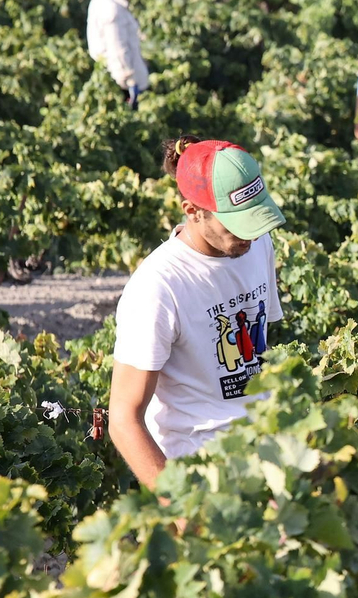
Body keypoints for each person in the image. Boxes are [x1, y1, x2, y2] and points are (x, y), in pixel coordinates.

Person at [109, 136, 287, 489]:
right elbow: (123, 419)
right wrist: (178, 504)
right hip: (200, 473)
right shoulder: (158, 287)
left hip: (265, 455)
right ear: (192, 210)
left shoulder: (256, 242)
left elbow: (261, 347)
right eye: (234, 222)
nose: (248, 235)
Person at [87, 0, 149, 110]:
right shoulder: (112, 9)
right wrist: (129, 83)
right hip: (122, 85)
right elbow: (118, 48)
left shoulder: (102, 1)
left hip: (115, 79)